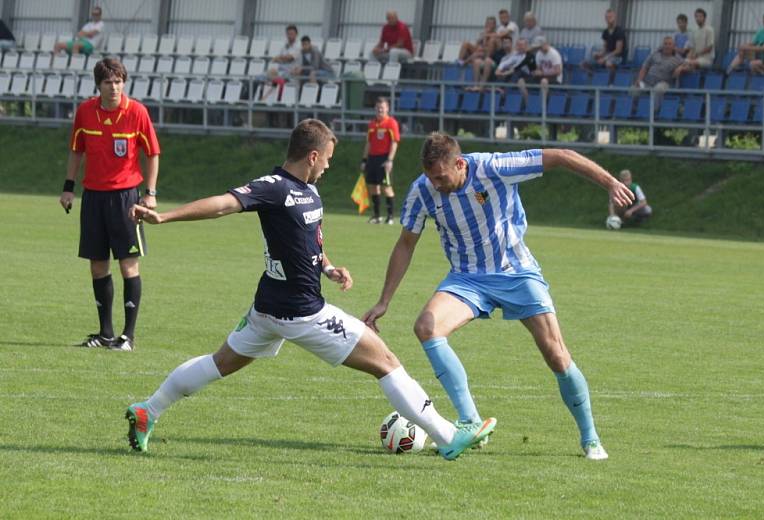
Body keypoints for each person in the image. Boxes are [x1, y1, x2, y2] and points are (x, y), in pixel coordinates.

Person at [124, 120, 496, 460]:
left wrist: (329, 267)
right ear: (313, 155)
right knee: (386, 362)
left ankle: (147, 410)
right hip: (302, 312)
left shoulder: (310, 193)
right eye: (328, 159)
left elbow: (308, 244)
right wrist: (165, 216)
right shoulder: (273, 189)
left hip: (266, 310)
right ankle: (448, 437)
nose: (329, 166)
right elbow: (223, 205)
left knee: (221, 363)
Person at [363, 133, 634, 460]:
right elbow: (406, 243)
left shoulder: (494, 167)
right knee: (426, 327)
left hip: (516, 272)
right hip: (466, 278)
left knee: (557, 355)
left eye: (441, 177)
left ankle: (590, 438)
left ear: (460, 164)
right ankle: (470, 421)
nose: (435, 184)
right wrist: (384, 300)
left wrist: (609, 183)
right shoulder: (423, 190)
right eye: (431, 177)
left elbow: (561, 155)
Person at [59, 58, 160, 352]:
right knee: (97, 266)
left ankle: (127, 337)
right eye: (108, 82)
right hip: (93, 197)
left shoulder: (137, 112)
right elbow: (76, 150)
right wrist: (68, 187)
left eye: (118, 82)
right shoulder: (85, 112)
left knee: (128, 264)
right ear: (98, 85)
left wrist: (150, 193)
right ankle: (105, 334)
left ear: (124, 83)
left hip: (126, 198)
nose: (114, 87)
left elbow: (153, 153)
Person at [361, 97, 400, 224]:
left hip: (384, 158)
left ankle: (390, 217)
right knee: (373, 187)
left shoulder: (391, 123)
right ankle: (377, 216)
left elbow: (394, 143)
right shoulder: (372, 124)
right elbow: (368, 143)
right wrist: (364, 160)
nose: (379, 110)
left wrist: (390, 160)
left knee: (386, 187)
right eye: (377, 107)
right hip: (372, 159)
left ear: (387, 108)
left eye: (382, 107)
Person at [632, 36, 683, 110]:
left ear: (673, 46)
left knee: (658, 89)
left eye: (669, 44)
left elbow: (689, 65)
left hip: (664, 83)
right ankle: (634, 112)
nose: (667, 46)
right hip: (648, 82)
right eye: (665, 44)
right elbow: (644, 67)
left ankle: (653, 113)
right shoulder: (655, 54)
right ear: (662, 45)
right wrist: (639, 80)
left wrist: (680, 67)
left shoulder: (677, 58)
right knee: (633, 89)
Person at [675, 8, 714, 75]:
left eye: (700, 16)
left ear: (704, 18)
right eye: (696, 16)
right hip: (695, 58)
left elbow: (709, 48)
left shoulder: (709, 30)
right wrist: (688, 58)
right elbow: (692, 48)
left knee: (688, 65)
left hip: (706, 59)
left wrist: (696, 54)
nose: (698, 18)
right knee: (682, 62)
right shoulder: (694, 30)